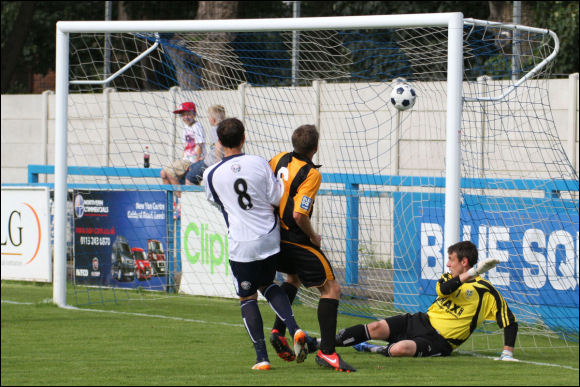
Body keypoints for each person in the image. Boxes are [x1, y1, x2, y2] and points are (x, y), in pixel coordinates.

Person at [202, 118, 308, 371]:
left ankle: (262, 358)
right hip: (269, 238)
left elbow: (216, 202)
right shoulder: (259, 162)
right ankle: (294, 328)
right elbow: (276, 196)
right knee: (268, 284)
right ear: (244, 138)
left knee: (247, 297)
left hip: (241, 243)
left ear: (219, 142)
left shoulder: (211, 173)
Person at [334, 240, 519, 361]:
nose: (448, 264)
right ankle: (320, 343)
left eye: (451, 260)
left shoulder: (486, 291)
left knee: (399, 349)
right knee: (374, 328)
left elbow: (509, 321)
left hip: (441, 340)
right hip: (420, 321)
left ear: (464, 262)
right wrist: (472, 272)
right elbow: (445, 290)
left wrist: (507, 353)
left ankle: (371, 348)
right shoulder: (448, 278)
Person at [268, 124, 356, 373]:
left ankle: (278, 331)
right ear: (316, 147)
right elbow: (299, 214)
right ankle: (328, 353)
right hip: (295, 237)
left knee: (292, 279)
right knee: (331, 288)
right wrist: (313, 235)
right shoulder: (311, 174)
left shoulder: (277, 159)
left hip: (273, 237)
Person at [160, 101, 206, 198]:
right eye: (183, 115)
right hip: (185, 159)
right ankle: (170, 201)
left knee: (168, 172)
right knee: (163, 174)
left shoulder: (197, 126)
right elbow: (186, 147)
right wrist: (182, 159)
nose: (185, 117)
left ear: (194, 114)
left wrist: (195, 163)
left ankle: (181, 200)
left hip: (192, 161)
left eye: (188, 114)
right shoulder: (185, 128)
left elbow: (199, 145)